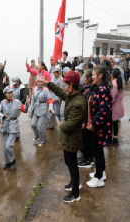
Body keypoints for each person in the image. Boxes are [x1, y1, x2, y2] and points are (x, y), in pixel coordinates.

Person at [36, 71, 86, 203]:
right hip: (67, 139)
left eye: (66, 84)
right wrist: (48, 83)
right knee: (68, 162)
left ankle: (75, 193)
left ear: (72, 85)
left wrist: (61, 124)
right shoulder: (71, 95)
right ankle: (74, 183)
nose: (64, 87)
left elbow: (69, 126)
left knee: (72, 165)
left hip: (72, 139)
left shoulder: (78, 103)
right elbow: (59, 92)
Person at [86, 66, 112, 188]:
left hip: (99, 127)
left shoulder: (103, 89)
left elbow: (103, 111)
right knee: (98, 151)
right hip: (96, 126)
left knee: (97, 151)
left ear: (100, 76)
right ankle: (100, 172)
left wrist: (93, 124)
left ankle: (98, 178)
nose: (92, 77)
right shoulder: (98, 88)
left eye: (94, 74)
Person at [0, 86, 30, 170]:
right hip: (5, 126)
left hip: (13, 125)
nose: (10, 94)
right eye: (8, 93)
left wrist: (27, 103)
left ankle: (12, 161)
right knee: (4, 147)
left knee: (8, 146)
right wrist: (1, 116)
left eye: (11, 92)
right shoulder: (3, 102)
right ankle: (7, 162)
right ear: (5, 94)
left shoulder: (17, 102)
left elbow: (24, 110)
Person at [31, 76, 54, 146]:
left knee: (41, 127)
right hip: (36, 109)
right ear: (36, 81)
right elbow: (33, 100)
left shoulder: (46, 90)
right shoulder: (34, 89)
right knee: (33, 124)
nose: (39, 83)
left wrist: (50, 107)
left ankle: (41, 140)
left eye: (41, 81)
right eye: (38, 81)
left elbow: (50, 99)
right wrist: (31, 109)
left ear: (43, 81)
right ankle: (37, 135)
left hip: (43, 109)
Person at [78, 69, 94, 167]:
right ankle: (88, 157)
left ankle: (87, 159)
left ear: (89, 79)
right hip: (87, 119)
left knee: (86, 139)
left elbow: (86, 107)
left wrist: (84, 120)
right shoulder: (87, 88)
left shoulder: (89, 90)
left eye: (84, 77)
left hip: (87, 119)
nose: (83, 79)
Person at [11, 76, 27, 141]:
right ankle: (14, 133)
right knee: (12, 120)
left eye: (15, 83)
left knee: (15, 120)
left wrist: (19, 104)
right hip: (11, 105)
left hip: (18, 105)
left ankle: (17, 135)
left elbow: (24, 97)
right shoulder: (12, 86)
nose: (14, 84)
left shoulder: (22, 88)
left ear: (18, 82)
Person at [111, 68, 124, 144]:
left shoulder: (114, 83)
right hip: (119, 105)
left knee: (113, 123)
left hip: (114, 106)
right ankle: (115, 138)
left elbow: (112, 97)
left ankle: (114, 139)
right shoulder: (120, 82)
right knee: (115, 123)